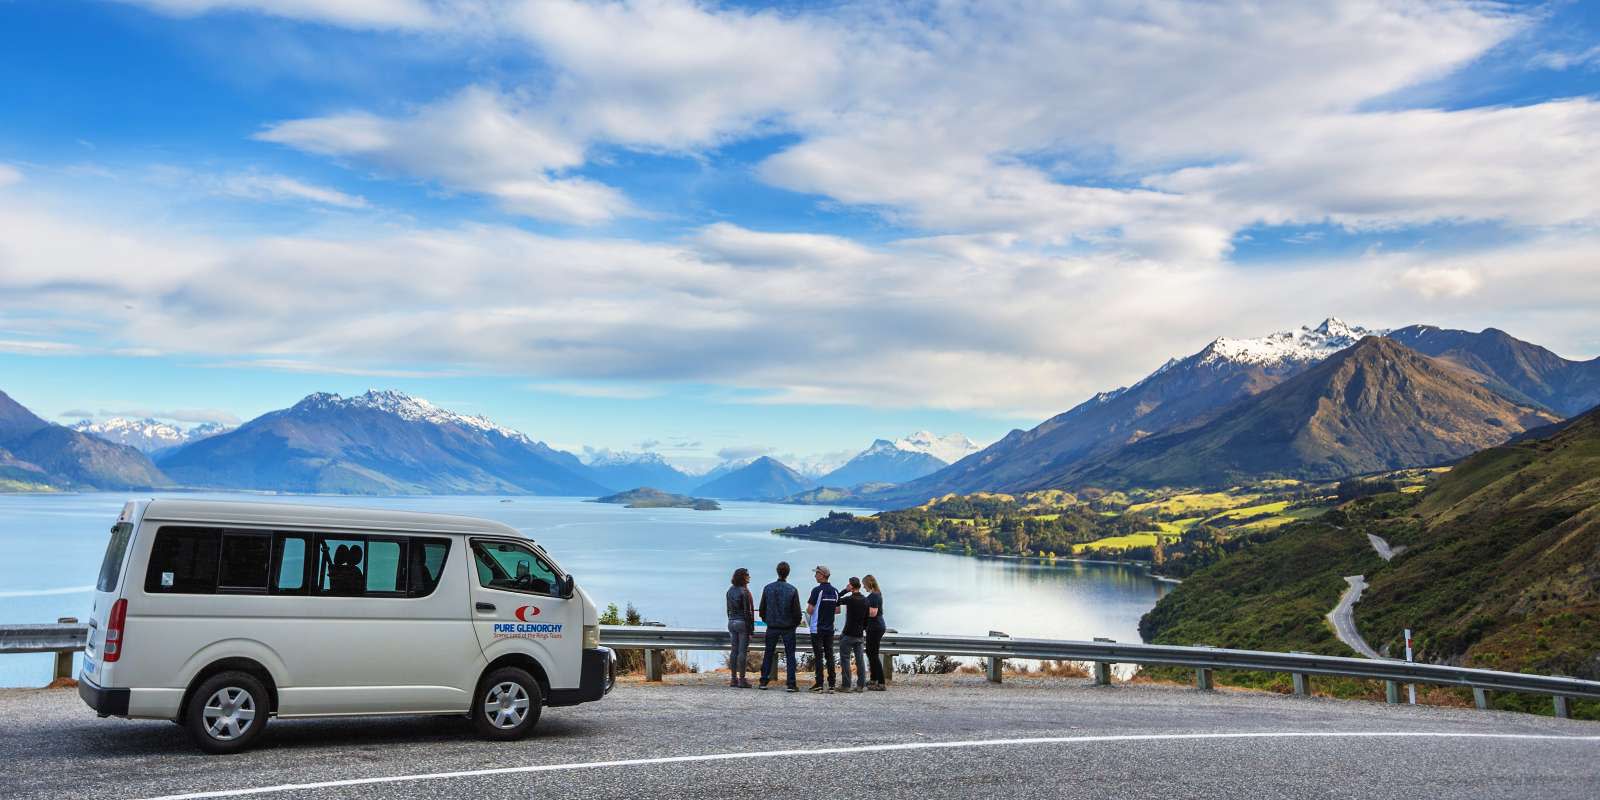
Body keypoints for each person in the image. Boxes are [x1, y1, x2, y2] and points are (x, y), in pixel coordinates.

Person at [757, 561, 802, 692]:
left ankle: (764, 681)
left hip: (772, 626)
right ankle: (791, 684)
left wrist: (768, 620)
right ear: (788, 573)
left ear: (777, 571)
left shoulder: (768, 588)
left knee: (768, 653)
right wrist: (794, 624)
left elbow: (762, 610)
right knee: (790, 655)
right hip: (788, 627)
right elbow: (797, 612)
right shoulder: (792, 590)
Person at [805, 565, 839, 693]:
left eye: (817, 573)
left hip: (817, 628)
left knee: (818, 656)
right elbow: (837, 610)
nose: (815, 576)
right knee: (830, 656)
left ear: (822, 575)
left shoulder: (816, 590)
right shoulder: (835, 591)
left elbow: (810, 610)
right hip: (829, 628)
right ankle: (832, 684)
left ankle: (819, 684)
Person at [836, 576, 869, 692]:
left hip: (848, 634)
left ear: (851, 586)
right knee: (860, 660)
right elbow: (866, 620)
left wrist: (845, 590)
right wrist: (862, 629)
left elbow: (836, 599)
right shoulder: (865, 600)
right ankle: (861, 685)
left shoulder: (850, 599)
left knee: (845, 659)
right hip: (859, 635)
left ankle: (846, 685)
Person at [726, 567, 756, 688]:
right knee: (742, 651)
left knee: (734, 650)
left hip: (731, 621)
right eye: (747, 575)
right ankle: (742, 680)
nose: (749, 577)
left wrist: (731, 619)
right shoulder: (745, 592)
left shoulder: (729, 590)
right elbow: (748, 612)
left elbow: (728, 609)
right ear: (743, 577)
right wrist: (751, 629)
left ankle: (733, 679)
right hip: (742, 623)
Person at [863, 574, 887, 690]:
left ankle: (881, 682)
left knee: (873, 654)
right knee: (870, 652)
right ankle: (873, 679)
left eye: (864, 585)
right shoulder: (877, 594)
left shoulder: (874, 596)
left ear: (868, 584)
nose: (863, 587)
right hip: (876, 627)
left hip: (875, 627)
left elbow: (873, 613)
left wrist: (859, 611)